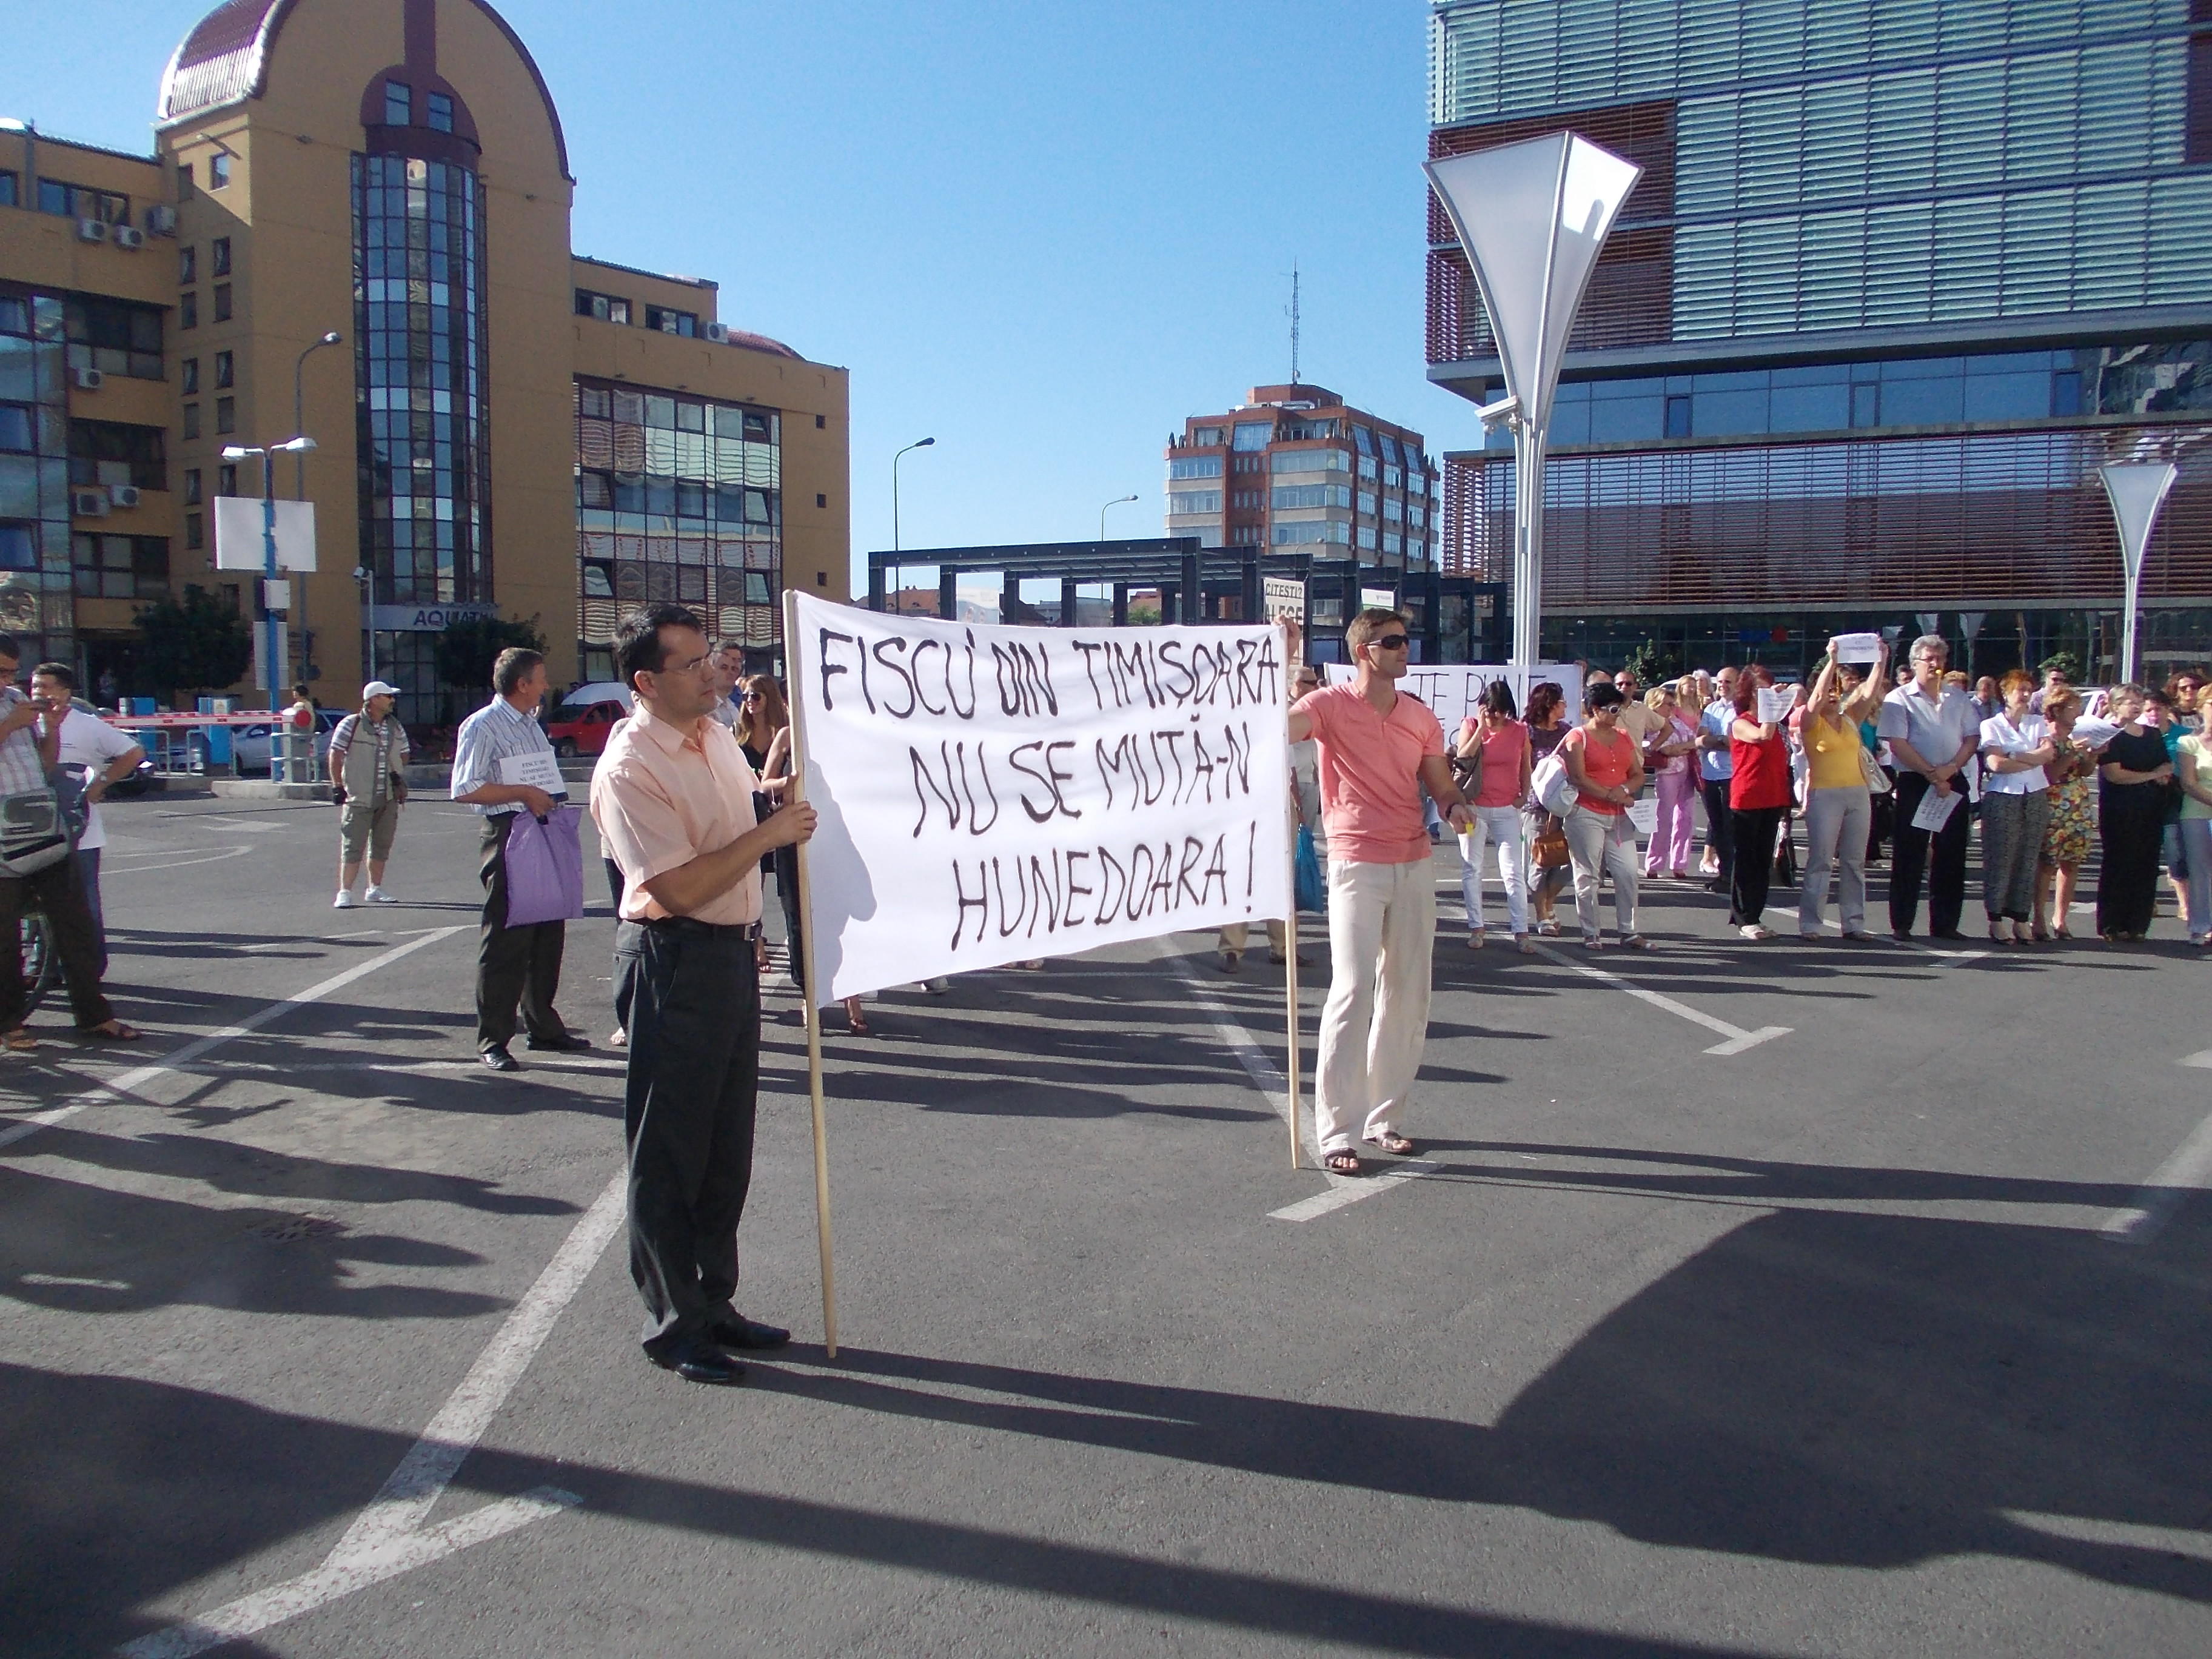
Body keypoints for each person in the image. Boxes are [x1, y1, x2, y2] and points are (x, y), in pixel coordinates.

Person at [591, 602, 817, 1387]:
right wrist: (768, 836)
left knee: (725, 1148)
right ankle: (674, 1324)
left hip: (728, 958)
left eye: (708, 658)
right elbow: (681, 887)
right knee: (670, 1154)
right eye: (689, 665)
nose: (711, 673)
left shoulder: (715, 736)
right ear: (647, 681)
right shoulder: (630, 768)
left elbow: (748, 806)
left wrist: (780, 796)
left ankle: (714, 1301)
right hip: (673, 958)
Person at [1283, 608, 1472, 1176]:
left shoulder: (1420, 716)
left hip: (1413, 862)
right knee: (1352, 990)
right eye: (1392, 642)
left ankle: (1383, 1118)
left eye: (1406, 640)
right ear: (1364, 651)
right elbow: (1272, 728)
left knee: (1407, 993)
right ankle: (1336, 1130)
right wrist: (1285, 658)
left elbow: (1440, 784)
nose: (1404, 649)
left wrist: (1455, 807)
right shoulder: (1328, 705)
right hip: (1356, 862)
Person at [451, 647, 591, 1071]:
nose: (546, 685)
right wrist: (524, 793)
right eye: (541, 678)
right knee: (506, 941)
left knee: (547, 936)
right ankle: (493, 1038)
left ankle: (543, 1026)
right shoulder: (483, 725)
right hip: (510, 832)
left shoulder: (531, 723)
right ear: (522, 683)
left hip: (542, 827)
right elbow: (466, 787)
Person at [0, 637, 139, 1049]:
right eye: (1, 672)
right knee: (5, 936)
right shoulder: (13, 711)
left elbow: (45, 764)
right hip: (3, 834)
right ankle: (10, 1022)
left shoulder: (14, 700)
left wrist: (52, 730)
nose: (8, 680)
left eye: (12, 672)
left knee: (75, 922)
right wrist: (10, 726)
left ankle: (94, 1014)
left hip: (41, 824)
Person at [759, 702, 875, 1031]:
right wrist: (788, 782)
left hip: (837, 836)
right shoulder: (787, 737)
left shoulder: (840, 734)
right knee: (798, 919)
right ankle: (810, 996)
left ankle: (850, 992)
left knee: (841, 915)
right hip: (795, 836)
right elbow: (764, 784)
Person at [29, 662, 143, 976]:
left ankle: (89, 969)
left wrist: (101, 784)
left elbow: (133, 753)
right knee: (36, 903)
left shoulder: (88, 725)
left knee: (83, 902)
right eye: (35, 686)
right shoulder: (25, 722)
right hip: (35, 831)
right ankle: (43, 968)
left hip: (81, 832)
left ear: (65, 692)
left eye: (45, 686)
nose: (38, 693)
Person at [1877, 634, 1980, 941]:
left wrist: (1952, 769)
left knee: (1952, 854)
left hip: (1953, 777)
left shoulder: (1958, 698)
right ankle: (1902, 922)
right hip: (1916, 779)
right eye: (1929, 659)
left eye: (1940, 659)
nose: (1936, 665)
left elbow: (1972, 738)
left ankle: (1946, 923)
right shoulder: (1899, 698)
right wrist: (1932, 775)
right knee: (1910, 853)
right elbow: (1898, 743)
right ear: (1915, 664)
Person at [1224, 665, 1322, 970]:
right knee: (1242, 876)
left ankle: (1283, 946)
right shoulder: (1232, 723)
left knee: (1283, 878)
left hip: (1278, 806)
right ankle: (1232, 948)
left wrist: (1297, 808)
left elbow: (1289, 769)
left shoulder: (1278, 720)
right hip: (1244, 806)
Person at [1797, 639, 1886, 940]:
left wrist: (1880, 660)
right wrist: (1831, 662)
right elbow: (1817, 697)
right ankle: (1811, 924)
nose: (1834, 695)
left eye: (1838, 690)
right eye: (1829, 690)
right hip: (1825, 795)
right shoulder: (1810, 722)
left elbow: (1870, 693)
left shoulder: (1849, 719)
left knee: (1854, 861)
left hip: (1858, 793)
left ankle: (1854, 922)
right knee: (1821, 860)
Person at [1559, 682, 1647, 950]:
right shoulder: (1578, 737)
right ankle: (1591, 932)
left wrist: (1624, 790)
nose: (1617, 715)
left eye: (1619, 709)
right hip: (1586, 813)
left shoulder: (1623, 736)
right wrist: (1610, 794)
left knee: (1628, 872)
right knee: (1588, 874)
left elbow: (1638, 774)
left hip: (1619, 817)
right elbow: (1578, 778)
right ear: (1595, 710)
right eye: (1612, 709)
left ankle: (1628, 930)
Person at [1452, 678, 1532, 952]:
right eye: (1491, 710)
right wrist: (1480, 730)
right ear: (1482, 707)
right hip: (1475, 808)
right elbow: (1462, 757)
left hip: (1507, 808)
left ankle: (1521, 930)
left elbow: (1525, 765)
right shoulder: (1471, 725)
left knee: (1513, 870)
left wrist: (1524, 794)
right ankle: (1476, 927)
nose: (1496, 716)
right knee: (1472, 867)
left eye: (1501, 711)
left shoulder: (1519, 731)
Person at [1977, 669, 2056, 946]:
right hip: (2003, 795)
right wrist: (2030, 758)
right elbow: (1995, 764)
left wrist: (2015, 755)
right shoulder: (1992, 725)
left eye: (2028, 690)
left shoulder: (2037, 722)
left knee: (2028, 856)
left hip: (2034, 793)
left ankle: (2021, 917)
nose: (2024, 695)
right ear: (2006, 693)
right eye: (2019, 689)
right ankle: (1996, 918)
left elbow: (2048, 754)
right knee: (2001, 857)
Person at [2095, 683, 2171, 944]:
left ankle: (2138, 923)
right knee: (2119, 863)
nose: (2136, 706)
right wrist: (2152, 775)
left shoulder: (2152, 734)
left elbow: (2166, 764)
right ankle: (2112, 923)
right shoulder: (2109, 734)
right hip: (2120, 809)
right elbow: (2115, 775)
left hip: (2151, 807)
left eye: (2139, 701)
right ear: (2115, 705)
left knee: (2146, 864)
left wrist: (2162, 774)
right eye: (2129, 701)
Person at [328, 680, 411, 908]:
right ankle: (345, 891)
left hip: (388, 796)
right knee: (353, 845)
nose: (392, 700)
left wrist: (396, 771)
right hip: (359, 795)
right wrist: (337, 786)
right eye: (388, 696)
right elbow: (336, 754)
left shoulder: (395, 727)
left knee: (382, 844)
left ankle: (375, 888)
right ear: (374, 699)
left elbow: (405, 753)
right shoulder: (351, 724)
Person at [1723, 665, 1792, 940]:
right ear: (1749, 692)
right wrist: (1771, 708)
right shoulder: (1741, 722)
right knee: (1746, 860)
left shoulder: (1774, 723)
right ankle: (1743, 917)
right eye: (1761, 689)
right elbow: (1762, 736)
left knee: (1764, 861)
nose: (1767, 693)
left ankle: (1756, 914)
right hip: (1748, 797)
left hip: (1773, 796)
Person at [2034, 688, 2094, 942]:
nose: (2078, 713)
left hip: (2078, 804)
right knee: (2047, 863)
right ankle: (2038, 917)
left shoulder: (2074, 738)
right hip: (2054, 803)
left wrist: (2093, 754)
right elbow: (2050, 775)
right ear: (2057, 711)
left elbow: (2085, 771)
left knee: (2072, 862)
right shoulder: (2046, 739)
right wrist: (2071, 753)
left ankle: (2060, 918)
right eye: (2073, 708)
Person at [1523, 680, 1572, 937]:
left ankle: (1549, 903)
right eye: (1561, 701)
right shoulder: (1527, 732)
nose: (1565, 706)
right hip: (1537, 807)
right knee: (1541, 861)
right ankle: (1541, 915)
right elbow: (1523, 767)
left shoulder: (1566, 731)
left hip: (1566, 804)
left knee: (1568, 861)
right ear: (1549, 705)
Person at [2143, 688, 2193, 936]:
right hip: (2145, 797)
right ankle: (2148, 900)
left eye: (2158, 709)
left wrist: (2172, 773)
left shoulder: (2183, 735)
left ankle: (2185, 904)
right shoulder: (2140, 735)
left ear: (2167, 709)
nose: (2154, 714)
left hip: (2174, 797)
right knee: (2146, 851)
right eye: (2149, 710)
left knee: (2176, 853)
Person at [1641, 682, 1698, 880]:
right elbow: (1666, 750)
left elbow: (1694, 741)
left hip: (1687, 771)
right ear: (1655, 705)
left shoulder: (1677, 722)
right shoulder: (1653, 725)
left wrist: (1682, 748)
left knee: (1685, 818)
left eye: (1673, 704)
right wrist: (1683, 747)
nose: (1672, 708)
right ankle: (1654, 863)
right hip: (1667, 773)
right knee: (1664, 818)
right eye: (1667, 704)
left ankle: (1679, 863)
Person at [1697, 666, 1739, 891]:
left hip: (1731, 775)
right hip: (1710, 774)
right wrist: (1720, 740)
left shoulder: (1740, 709)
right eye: (1720, 682)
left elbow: (1736, 743)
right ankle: (1724, 875)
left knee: (1731, 827)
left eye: (1728, 682)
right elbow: (1701, 739)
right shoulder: (1711, 708)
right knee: (1717, 826)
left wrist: (1716, 741)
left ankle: (1733, 875)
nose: (1722, 686)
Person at [2176, 706, 2212, 948]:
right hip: (2196, 813)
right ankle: (2200, 927)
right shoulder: (2188, 742)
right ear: (2201, 710)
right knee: (2200, 872)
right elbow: (2188, 783)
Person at [705, 637, 747, 729]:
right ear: (711, 667)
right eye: (724, 667)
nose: (731, 672)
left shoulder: (733, 708)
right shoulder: (702, 707)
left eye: (735, 669)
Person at [282, 681, 318, 783]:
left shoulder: (299, 705)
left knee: (297, 757)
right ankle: (308, 775)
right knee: (307, 757)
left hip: (299, 734)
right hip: (308, 733)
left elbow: (297, 720)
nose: (293, 693)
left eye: (295, 691)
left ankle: (294, 775)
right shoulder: (308, 704)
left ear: (298, 693)